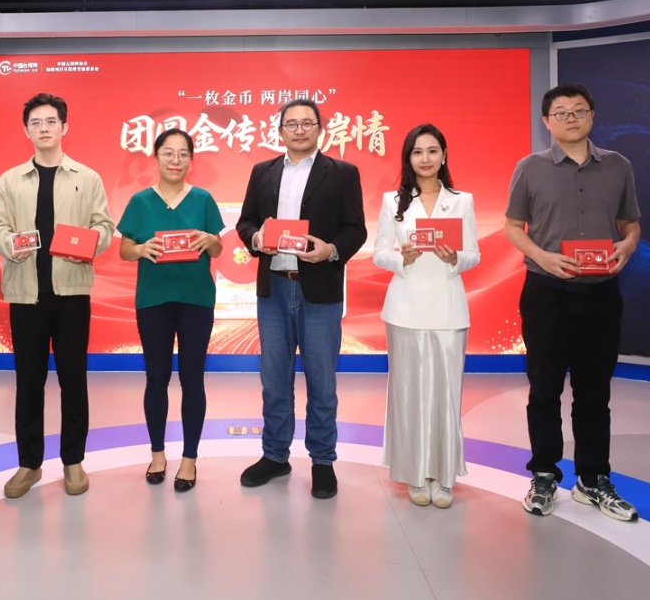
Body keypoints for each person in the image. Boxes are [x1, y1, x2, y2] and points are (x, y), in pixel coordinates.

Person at [505, 83, 641, 522]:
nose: (571, 118)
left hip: (601, 294)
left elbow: (630, 223)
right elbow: (513, 226)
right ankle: (544, 474)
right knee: (544, 389)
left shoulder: (618, 166)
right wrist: (541, 256)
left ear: (592, 116)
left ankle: (593, 480)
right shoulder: (529, 168)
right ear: (547, 121)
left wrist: (627, 246)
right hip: (546, 293)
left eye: (579, 111)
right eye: (561, 112)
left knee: (594, 392)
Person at [235, 98, 367, 499]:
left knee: (322, 381)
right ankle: (275, 455)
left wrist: (331, 250)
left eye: (307, 123)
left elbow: (356, 229)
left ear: (320, 129)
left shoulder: (342, 173)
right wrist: (256, 239)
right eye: (291, 124)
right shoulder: (263, 172)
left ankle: (323, 460)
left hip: (320, 291)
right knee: (274, 379)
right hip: (274, 289)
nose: (299, 130)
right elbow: (245, 222)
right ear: (280, 131)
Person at [0, 93, 115, 499]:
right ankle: (29, 463)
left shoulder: (87, 178)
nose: (44, 128)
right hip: (26, 295)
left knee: (74, 380)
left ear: (64, 127)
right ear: (26, 130)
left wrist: (87, 245)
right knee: (28, 382)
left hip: (72, 293)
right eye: (36, 122)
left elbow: (104, 227)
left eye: (51, 121)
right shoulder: (9, 180)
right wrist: (10, 244)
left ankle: (73, 461)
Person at [373, 124, 480, 508]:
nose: (425, 158)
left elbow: (474, 254)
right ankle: (415, 475)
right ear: (408, 158)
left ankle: (443, 477)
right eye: (417, 152)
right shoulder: (393, 202)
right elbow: (379, 253)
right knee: (409, 395)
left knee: (446, 396)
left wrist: (456, 258)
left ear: (444, 155)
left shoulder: (462, 201)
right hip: (405, 309)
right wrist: (401, 257)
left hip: (449, 309)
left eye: (432, 151)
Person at [117, 129, 223, 493]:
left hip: (196, 300)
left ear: (191, 159)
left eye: (182, 154)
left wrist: (211, 241)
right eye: (168, 153)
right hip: (153, 301)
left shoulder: (203, 199)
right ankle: (158, 454)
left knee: (193, 379)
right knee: (156, 378)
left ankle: (189, 458)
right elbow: (124, 248)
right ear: (156, 157)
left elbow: (218, 248)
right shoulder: (140, 201)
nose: (175, 160)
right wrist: (139, 249)